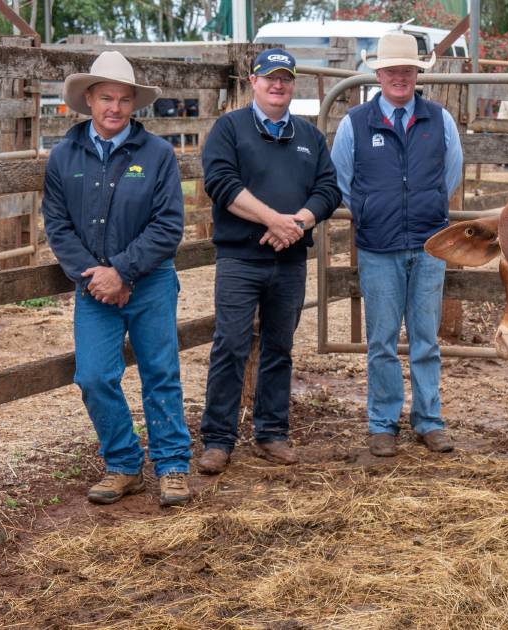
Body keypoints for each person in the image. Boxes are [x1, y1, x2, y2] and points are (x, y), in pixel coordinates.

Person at [41, 51, 192, 507]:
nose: (115, 108)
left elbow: (168, 224)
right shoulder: (65, 156)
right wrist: (96, 277)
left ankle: (172, 466)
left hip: (150, 282)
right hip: (93, 288)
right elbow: (58, 224)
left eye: (124, 100)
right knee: (93, 376)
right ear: (88, 99)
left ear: (134, 105)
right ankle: (125, 463)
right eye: (106, 97)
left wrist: (122, 271)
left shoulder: (158, 154)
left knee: (160, 372)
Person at [196, 48, 342, 474]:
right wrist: (273, 220)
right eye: (269, 78)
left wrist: (300, 220)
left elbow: (329, 189)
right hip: (241, 258)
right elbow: (221, 183)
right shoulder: (230, 129)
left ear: (292, 85)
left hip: (290, 259)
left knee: (280, 347)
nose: (277, 85)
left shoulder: (309, 136)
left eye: (285, 78)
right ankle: (218, 439)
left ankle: (272, 433)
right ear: (253, 82)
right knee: (231, 345)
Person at [331, 31, 464, 457]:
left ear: (416, 74)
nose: (400, 77)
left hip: (428, 244)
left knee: (426, 338)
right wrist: (372, 209)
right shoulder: (356, 123)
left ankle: (429, 419)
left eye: (407, 70)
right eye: (392, 70)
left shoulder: (439, 119)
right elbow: (342, 181)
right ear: (379, 74)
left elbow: (452, 173)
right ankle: (382, 422)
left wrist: (424, 206)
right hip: (378, 245)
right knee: (382, 339)